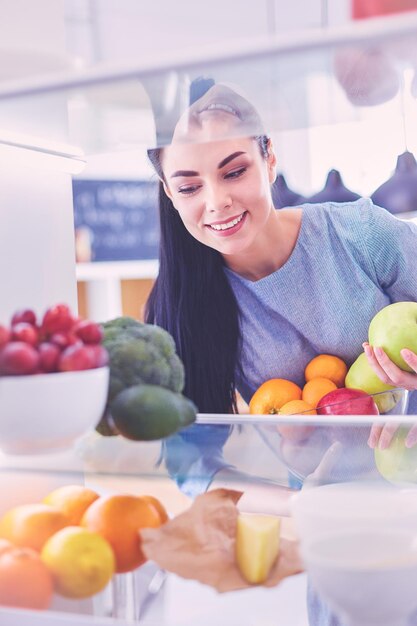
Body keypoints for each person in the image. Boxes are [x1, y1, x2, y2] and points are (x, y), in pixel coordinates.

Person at [145, 80, 417, 625]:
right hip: (333, 537)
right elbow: (190, 460)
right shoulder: (181, 304)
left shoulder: (360, 234)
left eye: (234, 170)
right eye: (189, 185)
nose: (217, 202)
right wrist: (299, 503)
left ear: (270, 158)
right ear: (168, 192)